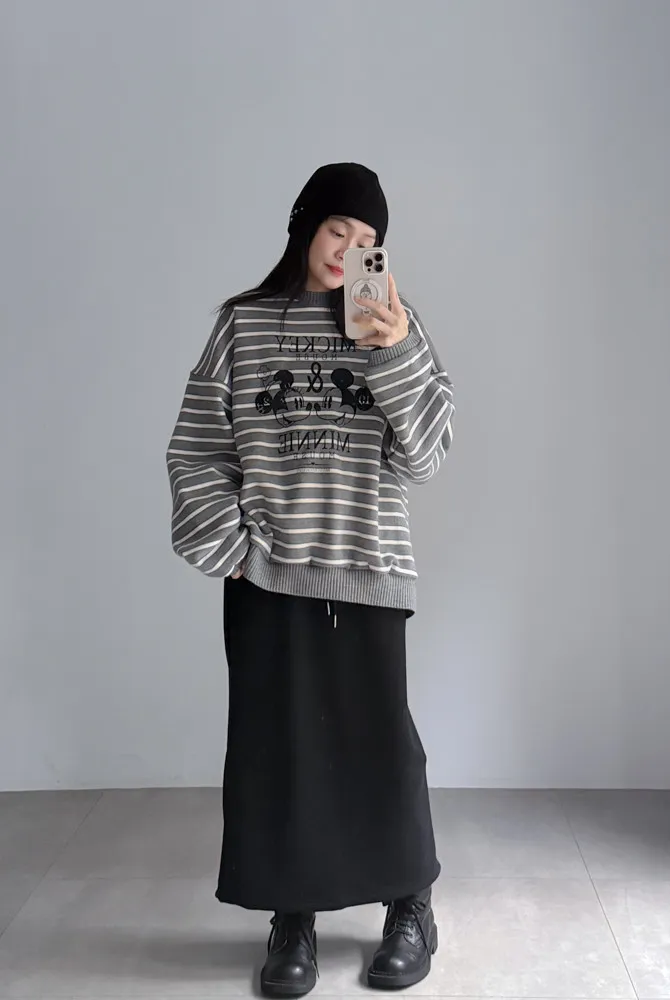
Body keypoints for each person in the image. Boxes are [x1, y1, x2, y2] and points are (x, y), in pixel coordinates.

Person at [166, 163, 454, 996]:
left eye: (368, 241)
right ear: (304, 225)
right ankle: (292, 917)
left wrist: (390, 351)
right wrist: (229, 543)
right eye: (338, 230)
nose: (348, 250)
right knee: (277, 753)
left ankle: (410, 907)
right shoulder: (244, 324)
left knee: (382, 748)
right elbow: (198, 445)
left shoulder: (395, 324)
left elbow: (427, 454)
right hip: (270, 575)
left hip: (368, 563)